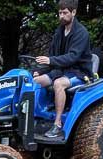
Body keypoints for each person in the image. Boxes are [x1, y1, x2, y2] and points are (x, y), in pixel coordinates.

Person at [34, 0, 93, 139]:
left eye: (65, 13)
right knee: (36, 81)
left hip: (79, 72)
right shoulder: (59, 32)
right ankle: (34, 116)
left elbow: (72, 57)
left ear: (73, 12)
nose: (62, 16)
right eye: (60, 13)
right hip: (61, 70)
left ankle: (57, 123)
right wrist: (41, 71)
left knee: (58, 83)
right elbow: (53, 56)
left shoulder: (81, 33)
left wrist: (50, 61)